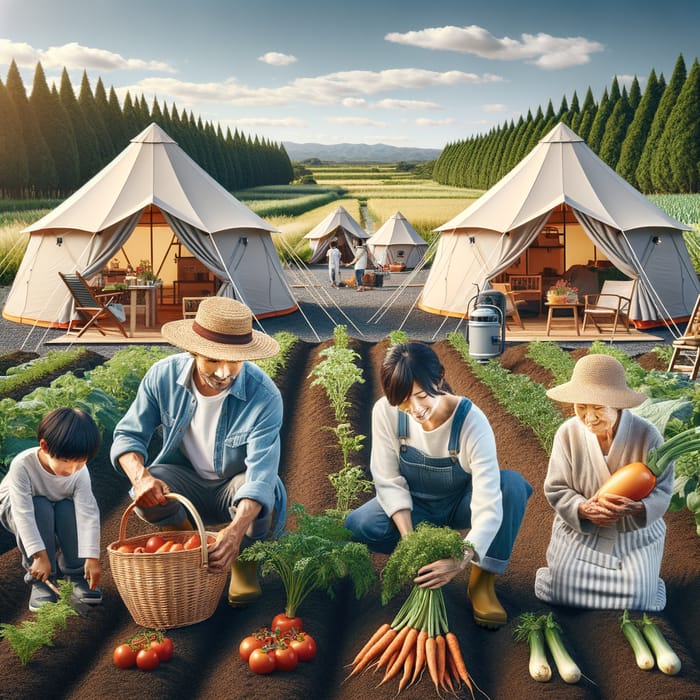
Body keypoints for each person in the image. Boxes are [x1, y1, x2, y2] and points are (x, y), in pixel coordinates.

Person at [110, 296, 286, 607]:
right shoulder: (162, 378)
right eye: (213, 360)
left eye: (234, 361)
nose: (224, 372)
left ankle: (243, 565)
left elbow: (260, 475)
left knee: (263, 491)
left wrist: (234, 533)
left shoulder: (264, 395)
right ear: (192, 351)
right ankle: (191, 547)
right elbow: (127, 435)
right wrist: (141, 478)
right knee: (151, 487)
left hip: (234, 486)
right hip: (186, 482)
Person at [344, 342, 532, 628]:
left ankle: (482, 583)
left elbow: (487, 504)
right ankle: (428, 561)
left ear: (440, 378)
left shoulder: (470, 421)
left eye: (421, 395)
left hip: (460, 504)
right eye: (404, 400)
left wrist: (460, 559)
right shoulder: (386, 412)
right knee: (359, 523)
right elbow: (388, 479)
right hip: (416, 506)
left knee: (511, 487)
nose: (416, 409)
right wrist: (410, 541)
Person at [534, 354, 672, 610]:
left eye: (597, 408)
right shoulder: (567, 434)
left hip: (632, 534)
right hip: (582, 531)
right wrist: (582, 508)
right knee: (562, 590)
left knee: (637, 598)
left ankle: (650, 584)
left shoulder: (647, 435)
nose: (588, 418)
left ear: (618, 404)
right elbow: (556, 487)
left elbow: (663, 489)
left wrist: (638, 508)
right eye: (581, 408)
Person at [0, 408, 103, 611]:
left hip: (58, 502)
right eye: (66, 462)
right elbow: (23, 515)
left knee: (69, 507)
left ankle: (76, 574)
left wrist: (92, 558)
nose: (73, 470)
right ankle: (41, 582)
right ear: (45, 447)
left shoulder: (79, 472)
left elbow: (88, 514)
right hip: (16, 507)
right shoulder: (23, 465)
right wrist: (40, 556)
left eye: (81, 462)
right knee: (39, 506)